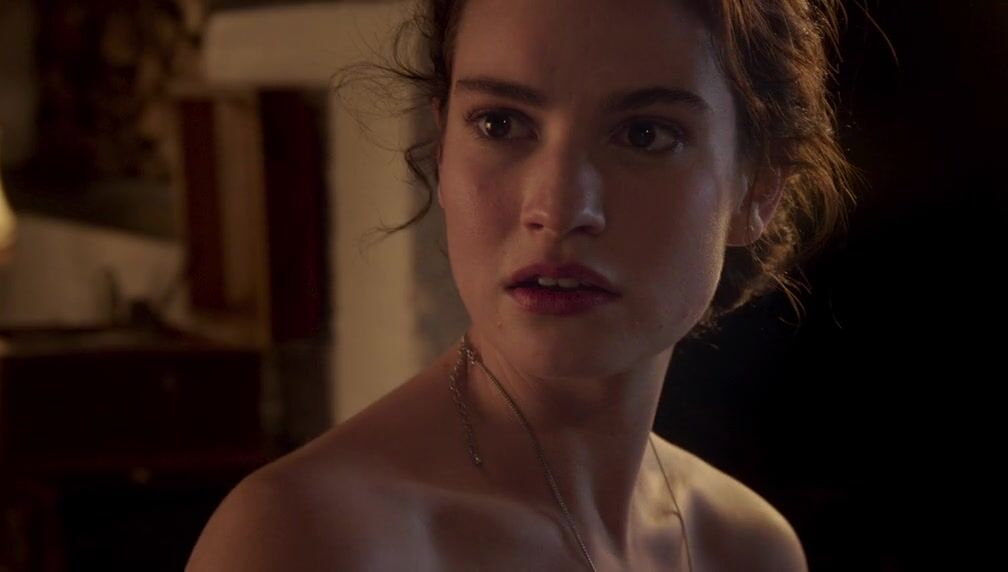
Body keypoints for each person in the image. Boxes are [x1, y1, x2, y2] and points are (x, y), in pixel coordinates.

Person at [187, 0, 849, 569]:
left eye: (645, 135)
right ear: (442, 149)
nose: (558, 209)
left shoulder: (744, 547)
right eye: (499, 123)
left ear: (760, 188)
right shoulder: (306, 539)